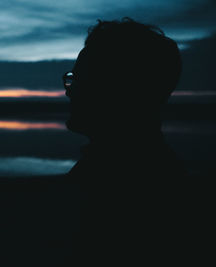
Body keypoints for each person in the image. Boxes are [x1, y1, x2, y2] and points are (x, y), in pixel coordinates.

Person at [63, 18, 188, 264]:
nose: (70, 91)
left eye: (83, 79)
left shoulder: (115, 183)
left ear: (118, 89)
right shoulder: (155, 167)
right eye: (73, 79)